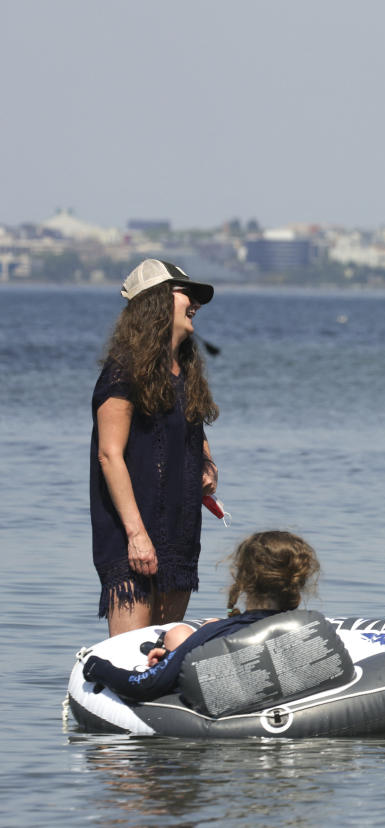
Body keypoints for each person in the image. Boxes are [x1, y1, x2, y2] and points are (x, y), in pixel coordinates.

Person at [90, 259, 219, 636]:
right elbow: (109, 454)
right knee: (133, 652)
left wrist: (207, 466)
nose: (195, 302)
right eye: (186, 294)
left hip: (180, 532)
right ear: (157, 301)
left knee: (165, 650)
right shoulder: (123, 370)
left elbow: (194, 427)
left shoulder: (186, 369)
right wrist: (136, 534)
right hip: (131, 532)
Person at [82, 531, 320, 701]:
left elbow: (144, 686)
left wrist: (95, 665)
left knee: (187, 634)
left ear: (244, 581)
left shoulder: (220, 634)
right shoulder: (312, 628)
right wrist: (172, 658)